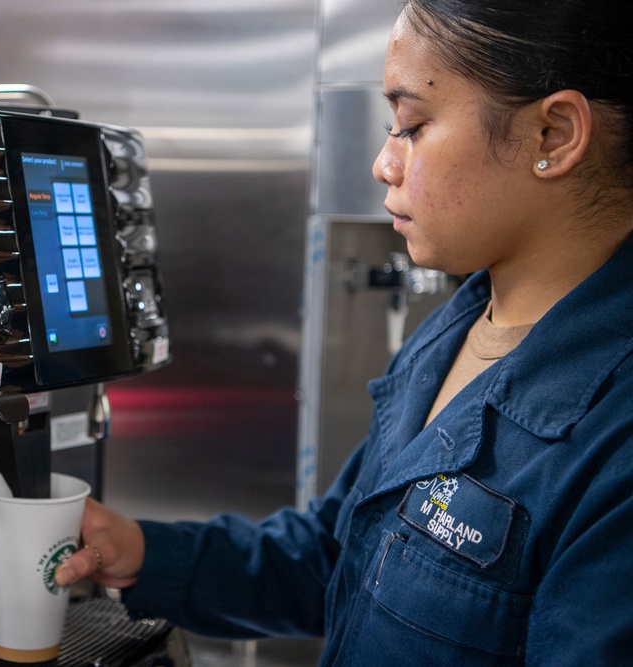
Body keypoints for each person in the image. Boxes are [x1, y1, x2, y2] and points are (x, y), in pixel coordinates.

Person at [55, 0, 633, 663]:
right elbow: (342, 555)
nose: (384, 163)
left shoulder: (614, 439)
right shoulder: (458, 329)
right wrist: (146, 553)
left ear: (553, 134)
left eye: (412, 125)